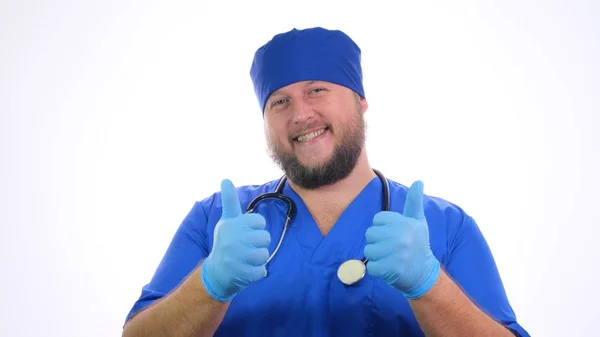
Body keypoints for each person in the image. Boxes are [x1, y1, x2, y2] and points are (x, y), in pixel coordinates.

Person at [121, 27, 530, 337]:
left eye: (317, 90)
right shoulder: (217, 221)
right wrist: (208, 285)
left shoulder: (444, 226)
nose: (300, 115)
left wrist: (429, 286)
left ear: (361, 102)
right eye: (279, 101)